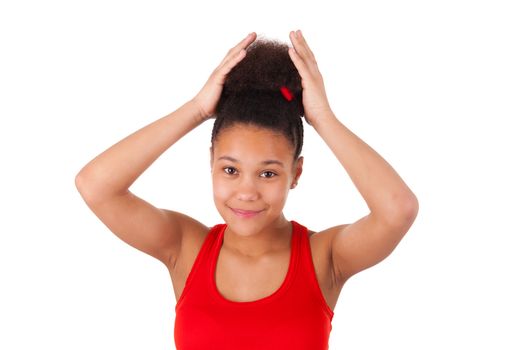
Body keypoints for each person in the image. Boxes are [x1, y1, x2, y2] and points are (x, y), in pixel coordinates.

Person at [75, 30, 419, 349]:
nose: (247, 192)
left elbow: (397, 209)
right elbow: (96, 185)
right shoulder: (186, 248)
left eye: (268, 174)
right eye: (230, 170)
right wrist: (196, 109)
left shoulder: (323, 257)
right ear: (211, 163)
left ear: (296, 173)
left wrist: (323, 119)